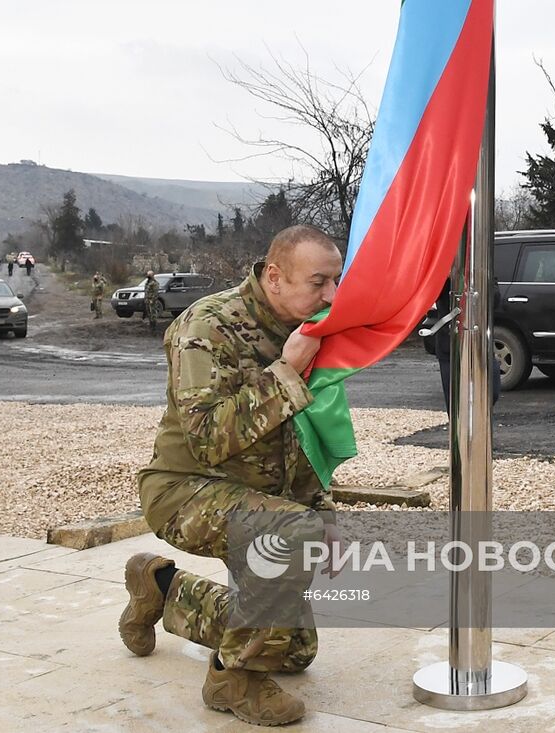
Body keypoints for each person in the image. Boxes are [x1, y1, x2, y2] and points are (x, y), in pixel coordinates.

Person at [121, 225, 343, 727]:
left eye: (336, 281)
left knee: (293, 652)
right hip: (184, 489)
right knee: (290, 534)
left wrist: (323, 509)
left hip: (257, 498)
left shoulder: (306, 331)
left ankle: (162, 587)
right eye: (319, 282)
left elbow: (300, 437)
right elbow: (206, 438)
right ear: (275, 277)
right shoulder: (207, 326)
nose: (331, 295)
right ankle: (233, 681)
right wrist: (285, 374)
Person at [433, 277, 501, 413]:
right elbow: (431, 294)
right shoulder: (441, 272)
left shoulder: (480, 270)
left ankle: (477, 419)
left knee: (491, 390)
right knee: (455, 402)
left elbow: (495, 299)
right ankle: (460, 430)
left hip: (479, 343)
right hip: (450, 346)